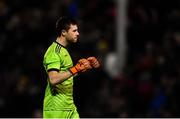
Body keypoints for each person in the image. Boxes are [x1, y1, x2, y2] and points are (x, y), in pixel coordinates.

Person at [43, 16, 100, 118]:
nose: (77, 33)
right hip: (56, 109)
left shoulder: (64, 50)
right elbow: (53, 79)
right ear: (64, 32)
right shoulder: (54, 52)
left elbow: (67, 76)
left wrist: (83, 68)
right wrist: (75, 69)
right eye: (74, 31)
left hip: (69, 107)